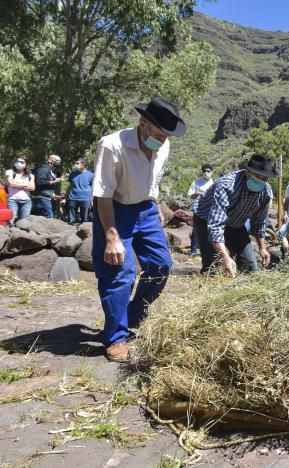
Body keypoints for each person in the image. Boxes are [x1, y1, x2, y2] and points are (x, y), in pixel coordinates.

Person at [91, 97, 186, 362]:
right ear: (142, 124)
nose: (163, 141)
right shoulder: (112, 146)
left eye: (167, 136)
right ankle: (115, 337)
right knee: (119, 270)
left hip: (145, 209)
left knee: (161, 265)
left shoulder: (162, 147)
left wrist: (155, 203)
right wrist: (111, 236)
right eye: (159, 134)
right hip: (114, 209)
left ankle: (132, 316)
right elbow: (103, 195)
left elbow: (152, 179)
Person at [195, 154, 277, 276]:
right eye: (258, 176)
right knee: (213, 265)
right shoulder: (226, 186)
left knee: (249, 264)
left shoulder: (266, 192)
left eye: (265, 178)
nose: (261, 181)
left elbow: (259, 222)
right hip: (206, 219)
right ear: (247, 172)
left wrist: (262, 248)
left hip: (236, 222)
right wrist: (225, 257)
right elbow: (216, 226)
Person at [187, 164, 214, 257]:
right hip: (198, 209)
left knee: (210, 229)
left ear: (212, 172)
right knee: (196, 229)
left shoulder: (214, 183)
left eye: (208, 171)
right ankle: (193, 250)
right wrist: (198, 193)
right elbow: (190, 194)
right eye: (204, 171)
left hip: (211, 209)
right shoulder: (196, 182)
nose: (206, 173)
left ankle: (208, 251)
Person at [4, 156, 35, 226]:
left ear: (26, 164)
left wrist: (17, 185)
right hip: (12, 200)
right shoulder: (10, 172)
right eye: (17, 161)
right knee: (10, 221)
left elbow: (32, 188)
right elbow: (11, 184)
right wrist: (25, 185)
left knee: (23, 223)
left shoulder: (30, 175)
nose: (19, 163)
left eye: (22, 162)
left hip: (26, 201)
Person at [66, 158, 94, 224]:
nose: (76, 165)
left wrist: (92, 199)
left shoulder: (91, 175)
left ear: (83, 165)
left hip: (85, 199)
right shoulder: (72, 174)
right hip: (72, 198)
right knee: (71, 221)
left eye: (77, 163)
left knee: (85, 221)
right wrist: (66, 195)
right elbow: (70, 186)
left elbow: (93, 188)